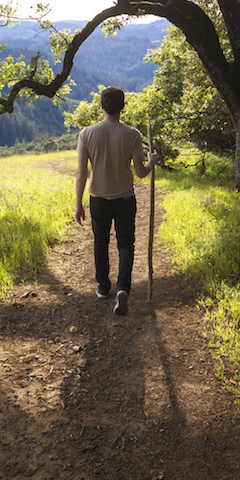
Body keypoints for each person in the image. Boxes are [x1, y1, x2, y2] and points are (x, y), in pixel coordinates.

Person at [74, 86, 159, 316]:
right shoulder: (132, 134)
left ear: (101, 106)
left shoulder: (86, 134)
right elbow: (141, 173)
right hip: (124, 198)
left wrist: (78, 204)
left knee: (100, 242)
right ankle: (123, 288)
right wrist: (151, 161)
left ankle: (103, 288)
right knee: (125, 244)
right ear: (123, 107)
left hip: (98, 199)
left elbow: (81, 173)